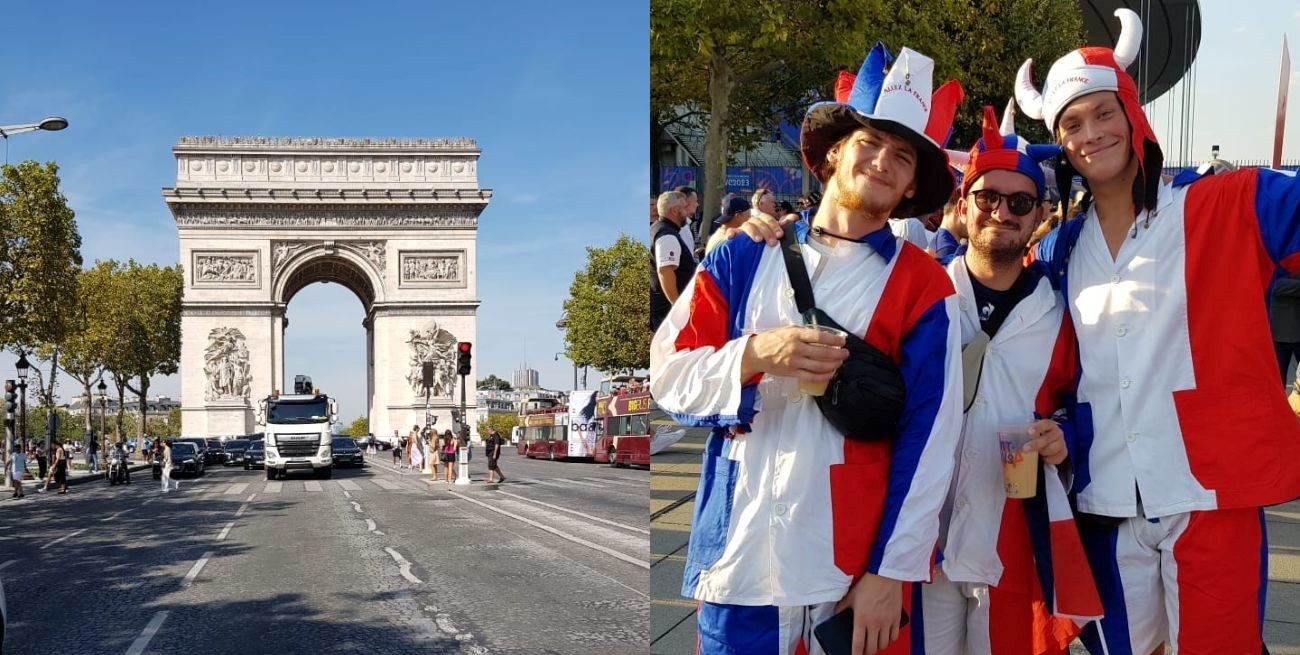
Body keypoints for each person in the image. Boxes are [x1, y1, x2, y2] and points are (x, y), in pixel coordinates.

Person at [653, 43, 964, 655]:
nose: (882, 163)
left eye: (902, 157)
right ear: (835, 152)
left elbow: (933, 438)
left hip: (847, 572)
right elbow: (668, 375)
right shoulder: (742, 252)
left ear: (909, 187)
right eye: (870, 143)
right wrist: (754, 354)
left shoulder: (925, 285)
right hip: (737, 561)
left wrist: (889, 572)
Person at [1019, 10, 1300, 653]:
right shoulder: (1060, 249)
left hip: (1206, 494)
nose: (1091, 134)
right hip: (1105, 499)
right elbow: (1054, 368)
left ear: (1132, 113)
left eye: (1103, 113)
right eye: (1072, 124)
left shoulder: (1221, 205)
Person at [918, 105, 1102, 653]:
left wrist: (1064, 437)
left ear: (1039, 212)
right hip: (922, 541)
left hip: (1015, 541)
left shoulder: (1064, 310)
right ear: (962, 205)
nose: (1002, 211)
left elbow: (1085, 404)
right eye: (987, 198)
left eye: (1019, 202)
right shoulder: (920, 295)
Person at [651, 190, 698, 333]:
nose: (687, 212)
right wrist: (676, 305)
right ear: (675, 210)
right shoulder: (666, 235)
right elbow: (665, 271)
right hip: (667, 311)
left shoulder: (662, 229)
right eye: (684, 207)